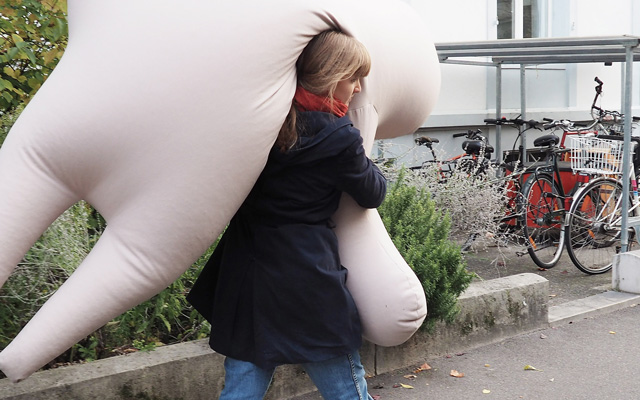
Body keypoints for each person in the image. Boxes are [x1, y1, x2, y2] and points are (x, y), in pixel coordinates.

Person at [187, 30, 386, 400]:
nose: (358, 88)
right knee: (347, 391)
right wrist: (363, 145)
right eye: (353, 78)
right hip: (306, 277)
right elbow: (373, 193)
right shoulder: (339, 137)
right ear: (331, 78)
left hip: (247, 270)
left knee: (241, 389)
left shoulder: (260, 119)